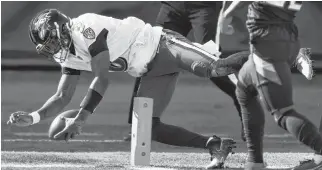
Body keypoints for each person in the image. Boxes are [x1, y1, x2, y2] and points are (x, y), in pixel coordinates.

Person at [6, 9, 251, 168]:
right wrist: (34, 116)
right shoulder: (68, 54)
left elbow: (102, 78)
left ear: (61, 29)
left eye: (51, 40)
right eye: (46, 46)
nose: (52, 48)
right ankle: (215, 145)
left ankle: (270, 58)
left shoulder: (84, 29)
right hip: (150, 70)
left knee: (213, 68)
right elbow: (62, 95)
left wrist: (81, 118)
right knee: (145, 128)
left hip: (163, 45)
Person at [123, 1, 248, 142]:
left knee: (210, 63)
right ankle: (137, 125)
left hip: (205, 7)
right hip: (173, 5)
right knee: (148, 55)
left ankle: (246, 103)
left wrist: (227, 11)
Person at [220, 1, 322, 169]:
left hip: (269, 43)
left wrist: (226, 15)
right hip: (282, 37)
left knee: (282, 112)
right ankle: (255, 162)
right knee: (244, 89)